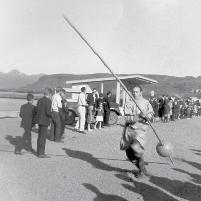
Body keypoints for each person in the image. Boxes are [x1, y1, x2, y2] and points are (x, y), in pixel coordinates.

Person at [120, 85, 154, 178]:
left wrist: (146, 116)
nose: (135, 93)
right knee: (129, 153)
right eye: (133, 91)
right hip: (129, 130)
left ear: (141, 92)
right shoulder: (129, 103)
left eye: (137, 91)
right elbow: (127, 118)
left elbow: (151, 115)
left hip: (140, 130)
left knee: (136, 149)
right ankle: (141, 169)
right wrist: (138, 116)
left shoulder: (146, 102)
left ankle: (142, 171)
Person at [35, 88, 52, 158]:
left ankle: (38, 151)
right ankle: (41, 153)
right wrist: (52, 115)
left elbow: (37, 110)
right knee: (43, 137)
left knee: (39, 137)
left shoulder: (40, 100)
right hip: (45, 121)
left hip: (39, 120)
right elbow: (48, 112)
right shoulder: (48, 101)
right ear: (50, 94)